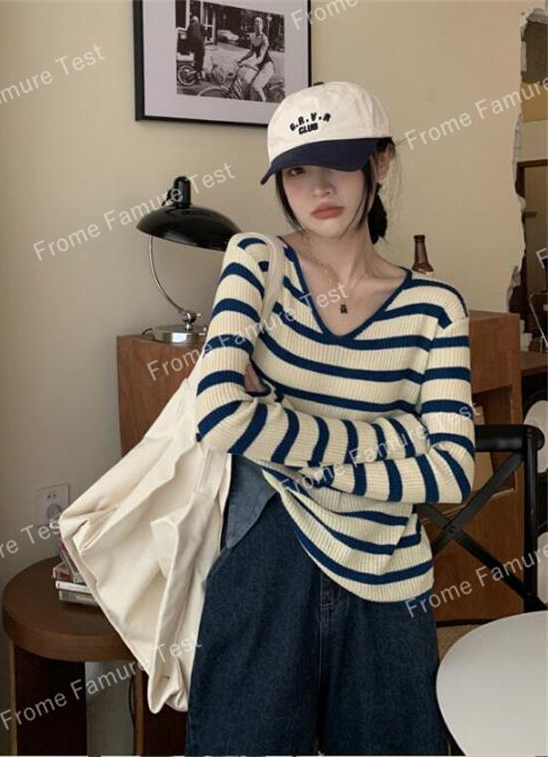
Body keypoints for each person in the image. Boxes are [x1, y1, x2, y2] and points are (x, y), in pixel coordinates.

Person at [184, 81, 475, 755]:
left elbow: (451, 471)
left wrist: (279, 425)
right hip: (266, 557)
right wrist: (401, 435)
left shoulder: (435, 307)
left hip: (389, 579)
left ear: (380, 161)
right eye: (296, 171)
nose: (318, 187)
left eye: (339, 163)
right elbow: (220, 415)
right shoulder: (258, 261)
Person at [236, 16, 274, 101]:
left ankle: (264, 101)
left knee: (256, 86)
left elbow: (260, 57)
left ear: (262, 26)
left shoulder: (264, 39)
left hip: (267, 66)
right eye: (256, 22)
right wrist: (241, 59)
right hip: (258, 65)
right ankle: (248, 100)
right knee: (245, 79)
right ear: (253, 25)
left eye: (260, 23)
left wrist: (250, 63)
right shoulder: (253, 37)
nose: (258, 24)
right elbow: (251, 52)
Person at [186, 15, 205, 82]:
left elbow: (188, 35)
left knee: (195, 60)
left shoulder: (190, 26)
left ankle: (194, 75)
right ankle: (197, 77)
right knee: (200, 62)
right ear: (197, 21)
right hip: (200, 47)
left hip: (193, 47)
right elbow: (205, 33)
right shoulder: (200, 25)